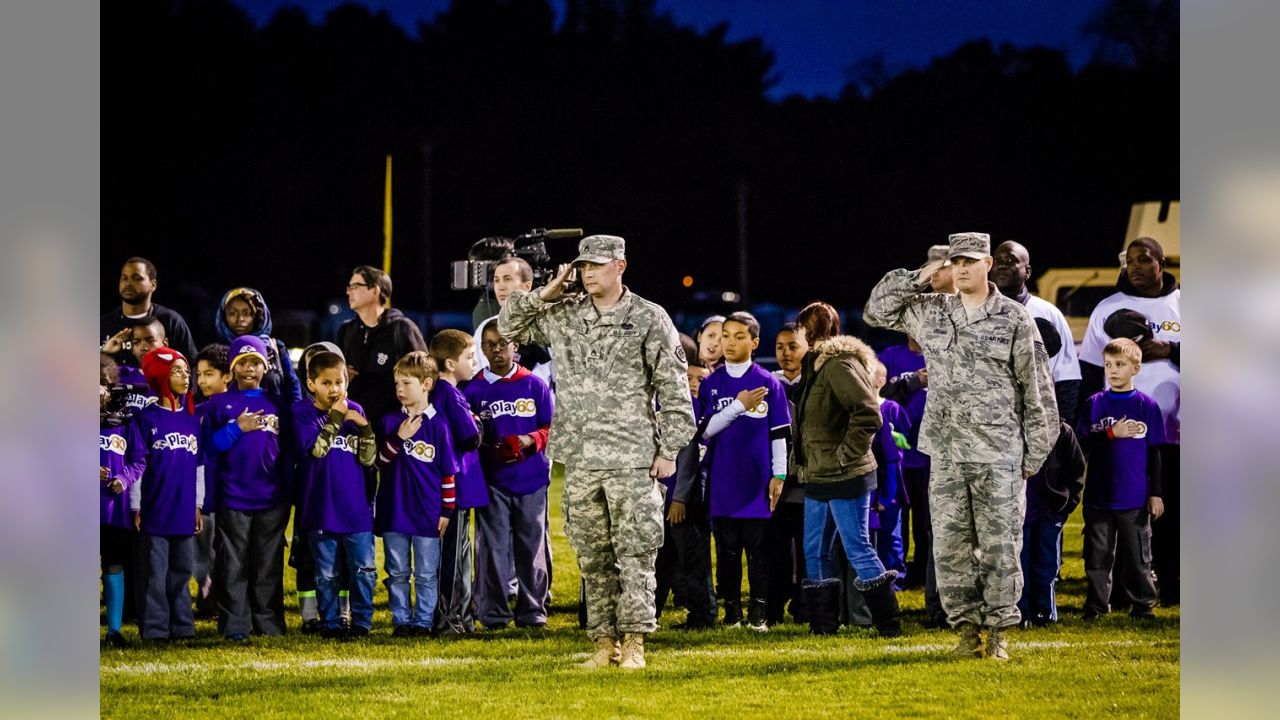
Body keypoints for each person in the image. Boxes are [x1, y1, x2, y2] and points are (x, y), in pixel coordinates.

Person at [499, 234, 696, 669]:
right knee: (593, 558)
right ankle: (603, 643)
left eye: (596, 265)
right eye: (582, 266)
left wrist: (669, 450)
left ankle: (635, 644)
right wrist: (544, 293)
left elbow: (675, 390)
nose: (587, 272)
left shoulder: (648, 317)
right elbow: (508, 326)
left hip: (632, 457)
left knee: (637, 554)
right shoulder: (564, 314)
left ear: (620, 266)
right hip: (582, 459)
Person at [863, 232, 1058, 661]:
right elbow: (876, 310)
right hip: (948, 452)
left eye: (971, 260)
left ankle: (999, 633)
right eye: (957, 261)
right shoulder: (932, 312)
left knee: (1000, 546)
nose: (964, 267)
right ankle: (966, 630)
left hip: (999, 451)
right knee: (950, 549)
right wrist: (918, 277)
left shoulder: (1013, 318)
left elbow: (1038, 390)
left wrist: (1033, 454)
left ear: (988, 264)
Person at [1079, 237, 1180, 606]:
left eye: (1144, 259)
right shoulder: (1109, 307)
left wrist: (1171, 350)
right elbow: (1090, 369)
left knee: (1173, 515)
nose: (1135, 267)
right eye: (1130, 261)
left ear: (1162, 262)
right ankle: (1124, 591)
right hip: (1122, 436)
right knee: (1125, 514)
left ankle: (1173, 586)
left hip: (1179, 433)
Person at [790, 302, 901, 639]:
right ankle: (824, 626)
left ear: (809, 332)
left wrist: (843, 456)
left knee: (858, 548)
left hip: (844, 474)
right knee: (814, 551)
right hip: (820, 475)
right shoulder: (818, 365)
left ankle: (888, 625)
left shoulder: (838, 364)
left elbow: (868, 414)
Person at [697, 312, 791, 631]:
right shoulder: (711, 383)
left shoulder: (769, 383)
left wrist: (779, 475)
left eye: (739, 337)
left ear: (754, 342)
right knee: (727, 553)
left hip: (758, 483)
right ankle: (733, 614)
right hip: (723, 482)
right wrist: (738, 406)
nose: (730, 342)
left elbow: (779, 435)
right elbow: (705, 431)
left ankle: (759, 615)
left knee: (759, 553)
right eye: (725, 335)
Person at [466, 321, 554, 629]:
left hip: (531, 477)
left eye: (502, 343)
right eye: (489, 345)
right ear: (483, 349)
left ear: (514, 346)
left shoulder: (534, 385)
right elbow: (469, 435)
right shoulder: (475, 388)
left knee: (531, 547)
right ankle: (493, 612)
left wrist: (530, 440)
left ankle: (533, 611)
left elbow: (550, 426)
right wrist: (487, 446)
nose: (496, 350)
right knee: (492, 548)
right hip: (493, 480)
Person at [208, 336, 293, 640]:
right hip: (234, 496)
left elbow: (287, 449)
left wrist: (287, 490)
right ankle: (235, 625)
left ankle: (268, 624)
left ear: (265, 366)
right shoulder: (220, 403)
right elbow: (212, 446)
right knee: (234, 564)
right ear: (231, 369)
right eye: (241, 362)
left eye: (255, 362)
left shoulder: (277, 402)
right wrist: (236, 428)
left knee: (267, 565)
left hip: (271, 497)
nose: (249, 368)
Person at [1077, 338, 1165, 620]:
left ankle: (1142, 605)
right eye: (1108, 365)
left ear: (1136, 368)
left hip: (1134, 498)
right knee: (1097, 557)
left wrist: (1156, 493)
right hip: (1099, 496)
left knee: (1139, 556)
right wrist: (1111, 434)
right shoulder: (1094, 404)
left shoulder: (1147, 406)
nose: (1112, 370)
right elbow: (1082, 447)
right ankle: (1096, 606)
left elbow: (1155, 454)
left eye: (1120, 364)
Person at [292, 351, 378, 639]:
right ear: (311, 383)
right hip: (321, 507)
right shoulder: (302, 413)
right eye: (326, 383)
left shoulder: (356, 410)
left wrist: (365, 428)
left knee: (363, 569)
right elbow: (317, 449)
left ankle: (362, 622)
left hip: (355, 509)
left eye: (339, 382)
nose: (334, 389)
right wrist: (337, 418)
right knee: (326, 572)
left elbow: (368, 460)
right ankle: (330, 623)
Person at [375, 351, 458, 637]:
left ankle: (422, 622)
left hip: (427, 512)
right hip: (394, 510)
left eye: (406, 383)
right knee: (397, 572)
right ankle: (401, 621)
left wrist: (446, 510)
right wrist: (399, 438)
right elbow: (379, 463)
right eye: (397, 383)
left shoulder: (440, 425)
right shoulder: (389, 422)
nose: (399, 389)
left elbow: (448, 473)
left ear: (426, 384)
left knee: (425, 574)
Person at [129, 347, 204, 642]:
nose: (185, 377)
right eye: (176, 371)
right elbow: (137, 464)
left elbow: (200, 466)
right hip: (155, 509)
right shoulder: (146, 418)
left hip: (184, 509)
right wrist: (135, 506)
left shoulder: (191, 418)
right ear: (160, 376)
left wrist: (198, 504)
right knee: (154, 575)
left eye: (187, 372)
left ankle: (183, 626)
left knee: (182, 572)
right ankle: (156, 629)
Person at [427, 329, 486, 635]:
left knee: (458, 555)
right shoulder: (448, 393)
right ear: (450, 364)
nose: (475, 362)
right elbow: (470, 436)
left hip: (456, 487)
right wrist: (477, 423)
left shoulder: (444, 392)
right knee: (453, 557)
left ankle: (461, 617)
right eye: (469, 357)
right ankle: (450, 619)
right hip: (456, 487)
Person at [657, 343, 717, 630]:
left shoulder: (689, 404)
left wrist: (680, 497)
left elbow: (689, 455)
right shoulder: (660, 398)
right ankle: (648, 614)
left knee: (693, 560)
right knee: (661, 559)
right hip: (662, 496)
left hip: (684, 497)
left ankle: (703, 615)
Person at [992, 240, 1082, 424]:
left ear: (1028, 271)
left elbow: (1067, 375)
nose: (1001, 265)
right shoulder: (978, 311)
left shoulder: (1048, 313)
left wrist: (1062, 423)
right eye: (997, 261)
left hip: (1036, 422)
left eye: (1010, 260)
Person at [337, 265, 427, 429]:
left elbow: (425, 374)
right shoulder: (347, 331)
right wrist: (342, 375)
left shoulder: (402, 329)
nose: (349, 292)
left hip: (393, 427)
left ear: (375, 290)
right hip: (354, 427)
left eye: (355, 286)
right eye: (349, 287)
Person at [1018, 417, 1085, 627]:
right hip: (1019, 512)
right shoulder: (1011, 426)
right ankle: (1022, 614)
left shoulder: (1062, 430)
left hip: (1049, 512)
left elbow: (1076, 469)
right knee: (1020, 565)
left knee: (1045, 565)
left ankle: (1044, 613)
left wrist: (1064, 506)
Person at [99, 355, 145, 648]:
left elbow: (139, 459)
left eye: (103, 384)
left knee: (114, 565)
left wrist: (124, 478)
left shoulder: (125, 420)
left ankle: (114, 629)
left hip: (114, 510)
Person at [766, 322, 808, 624]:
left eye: (793, 346)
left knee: (809, 550)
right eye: (780, 347)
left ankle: (805, 604)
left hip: (808, 483)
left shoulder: (816, 382)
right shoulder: (769, 384)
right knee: (776, 549)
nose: (786, 353)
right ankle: (774, 605)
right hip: (777, 484)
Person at [193, 343, 232, 618]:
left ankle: (224, 597)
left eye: (209, 374)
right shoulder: (197, 410)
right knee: (204, 549)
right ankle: (206, 596)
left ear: (227, 376)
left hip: (229, 489)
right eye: (199, 374)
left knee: (227, 550)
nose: (201, 380)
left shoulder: (237, 406)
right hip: (204, 491)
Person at [101, 257, 197, 367]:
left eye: (137, 278)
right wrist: (104, 353)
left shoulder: (170, 321)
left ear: (153, 284)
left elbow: (192, 366)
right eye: (124, 278)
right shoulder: (104, 324)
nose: (128, 284)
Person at [214, 287, 303, 402]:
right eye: (232, 313)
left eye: (247, 313)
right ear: (223, 316)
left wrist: (296, 417)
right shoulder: (216, 353)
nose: (240, 319)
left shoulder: (274, 348)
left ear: (258, 316)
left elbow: (293, 389)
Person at [869, 360, 911, 589]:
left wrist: (897, 440)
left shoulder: (892, 409)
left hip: (890, 486)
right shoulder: (859, 408)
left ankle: (895, 581)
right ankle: (874, 578)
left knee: (891, 537)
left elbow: (902, 445)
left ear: (881, 380)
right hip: (869, 484)